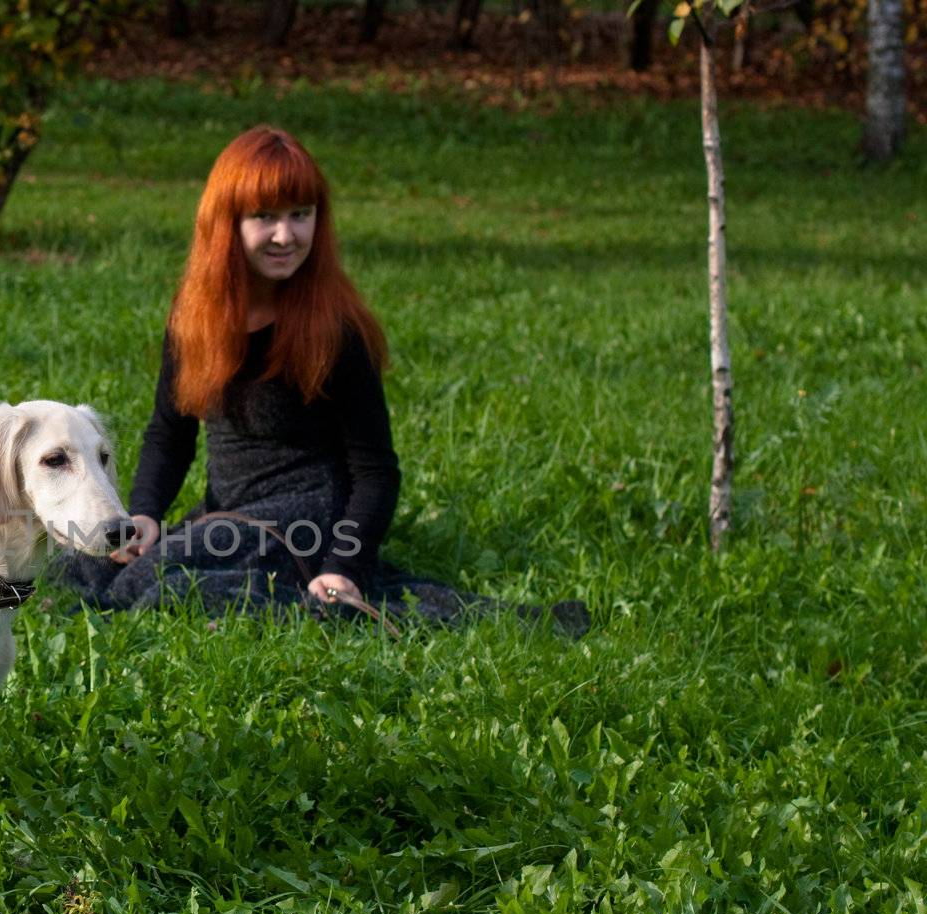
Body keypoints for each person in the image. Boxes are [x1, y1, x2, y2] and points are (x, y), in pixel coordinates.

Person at [57, 126, 587, 635]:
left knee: (153, 582)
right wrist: (146, 514)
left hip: (308, 517)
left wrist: (345, 567)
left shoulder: (337, 328)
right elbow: (170, 435)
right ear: (226, 224)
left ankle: (324, 605)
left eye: (300, 215)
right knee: (79, 566)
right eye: (264, 216)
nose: (286, 235)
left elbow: (377, 471)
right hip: (230, 513)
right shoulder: (195, 317)